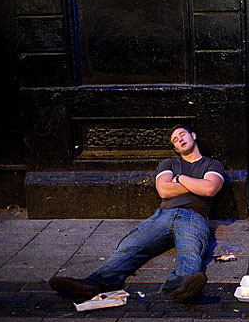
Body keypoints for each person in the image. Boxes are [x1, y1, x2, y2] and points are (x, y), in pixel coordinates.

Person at [48, 125, 225, 303]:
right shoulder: (169, 163)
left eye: (182, 135)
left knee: (191, 251)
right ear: (175, 148)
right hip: (164, 214)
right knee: (129, 247)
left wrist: (179, 179)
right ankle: (94, 283)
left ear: (193, 135)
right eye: (175, 140)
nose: (180, 139)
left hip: (194, 217)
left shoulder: (212, 164)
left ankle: (182, 288)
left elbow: (209, 189)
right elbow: (164, 191)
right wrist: (196, 185)